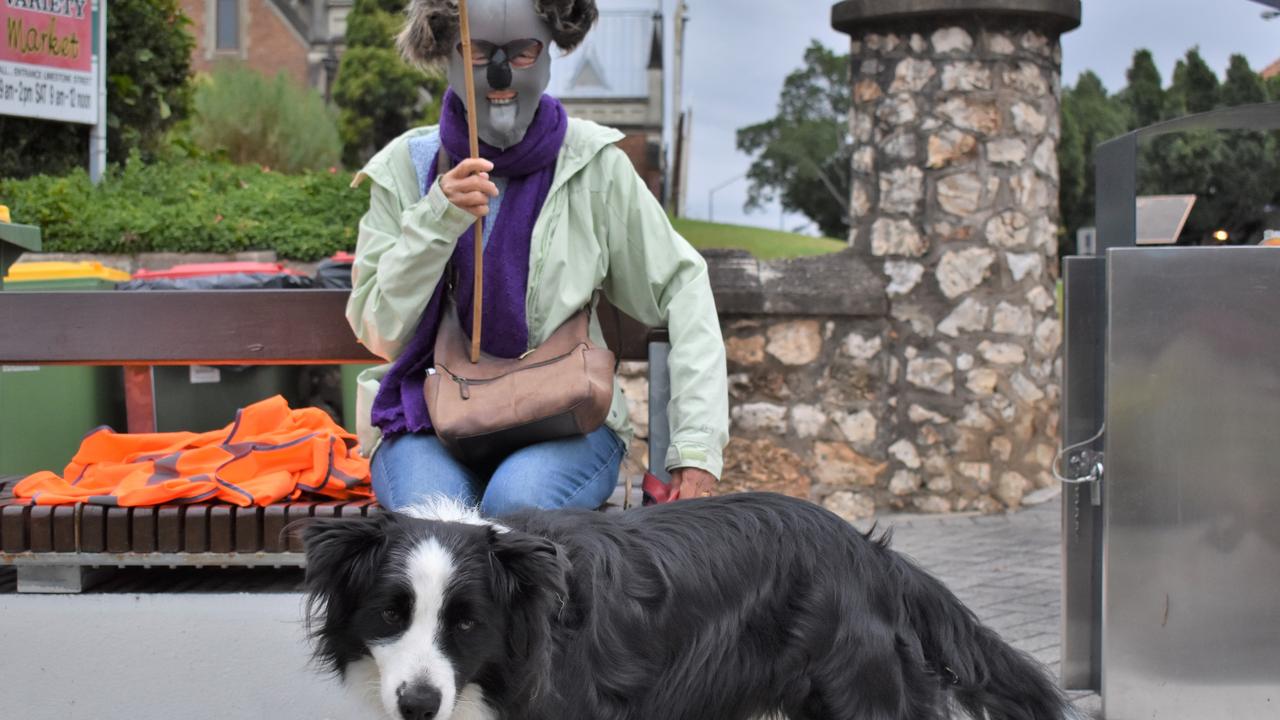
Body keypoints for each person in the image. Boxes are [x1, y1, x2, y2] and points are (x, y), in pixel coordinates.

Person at [346, 0, 727, 517]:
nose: (500, 75)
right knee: (433, 519)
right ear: (449, 53)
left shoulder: (593, 165)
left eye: (522, 53)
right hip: (428, 418)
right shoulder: (404, 168)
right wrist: (437, 218)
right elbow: (380, 330)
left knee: (516, 509)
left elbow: (683, 285)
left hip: (564, 419)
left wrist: (696, 450)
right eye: (479, 51)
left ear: (549, 52)